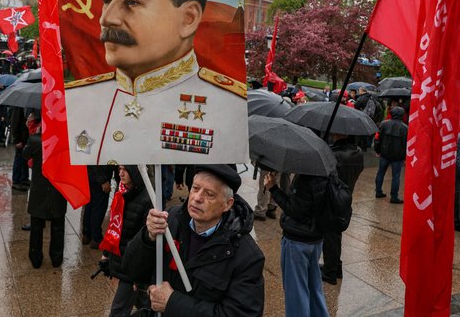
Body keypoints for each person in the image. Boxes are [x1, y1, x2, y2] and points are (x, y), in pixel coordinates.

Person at [64, 0, 248, 165]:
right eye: (107, 0)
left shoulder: (231, 108)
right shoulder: (75, 99)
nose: (107, 19)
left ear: (188, 18)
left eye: (132, 2)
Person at [123, 164, 265, 316]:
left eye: (209, 194)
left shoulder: (247, 256)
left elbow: (241, 313)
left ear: (227, 204)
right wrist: (148, 237)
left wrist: (172, 302)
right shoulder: (169, 220)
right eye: (195, 188)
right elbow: (131, 269)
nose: (197, 198)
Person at [264, 170, 329, 317]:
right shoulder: (324, 171)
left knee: (296, 293)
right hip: (315, 237)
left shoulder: (305, 177)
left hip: (297, 240)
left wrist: (273, 188)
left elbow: (295, 211)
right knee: (314, 287)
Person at [100, 165, 153, 316]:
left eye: (125, 169)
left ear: (136, 172)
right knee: (145, 303)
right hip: (121, 259)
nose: (120, 173)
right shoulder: (121, 192)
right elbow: (114, 227)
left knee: (118, 310)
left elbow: (147, 243)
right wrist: (106, 255)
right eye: (119, 169)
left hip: (133, 268)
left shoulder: (147, 200)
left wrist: (139, 275)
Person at [23, 114, 67, 268]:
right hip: (58, 189)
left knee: (36, 227)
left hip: (38, 191)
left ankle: (36, 258)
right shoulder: (64, 140)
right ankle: (56, 258)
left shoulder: (35, 140)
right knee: (58, 226)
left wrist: (32, 132)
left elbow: (25, 155)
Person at [321, 133, 364, 284]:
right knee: (335, 234)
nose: (333, 134)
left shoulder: (336, 155)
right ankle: (335, 266)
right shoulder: (358, 152)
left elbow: (327, 176)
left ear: (344, 134)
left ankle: (329, 272)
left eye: (336, 132)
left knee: (330, 236)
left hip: (332, 199)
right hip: (346, 196)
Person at [374, 106, 408, 204]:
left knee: (380, 173)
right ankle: (394, 196)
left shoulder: (384, 124)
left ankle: (378, 191)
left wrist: (377, 150)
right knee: (396, 176)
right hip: (398, 156)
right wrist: (405, 157)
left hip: (384, 154)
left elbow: (377, 139)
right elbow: (406, 144)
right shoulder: (405, 128)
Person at [82, 165, 115, 249]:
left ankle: (87, 234)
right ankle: (96, 238)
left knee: (90, 205)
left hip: (92, 176)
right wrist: (103, 180)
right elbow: (94, 162)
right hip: (100, 177)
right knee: (99, 208)